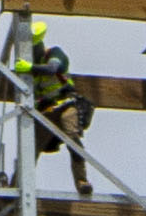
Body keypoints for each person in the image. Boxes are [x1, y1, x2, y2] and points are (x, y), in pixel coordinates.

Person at [15, 15, 94, 197]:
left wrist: (30, 68)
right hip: (46, 112)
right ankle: (17, 184)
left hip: (65, 104)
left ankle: (81, 181)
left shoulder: (54, 54)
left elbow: (53, 69)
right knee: (30, 146)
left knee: (71, 135)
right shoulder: (29, 72)